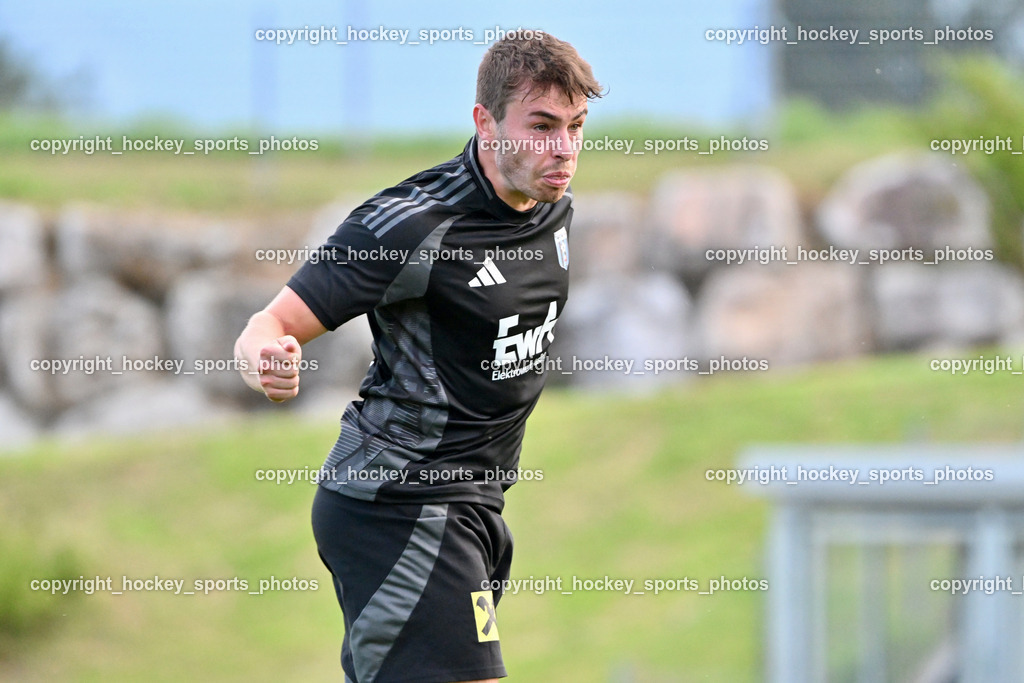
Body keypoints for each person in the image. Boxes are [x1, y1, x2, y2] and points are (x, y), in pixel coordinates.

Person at [234, 30, 602, 683]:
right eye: (542, 125)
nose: (564, 148)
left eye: (576, 126)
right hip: (396, 502)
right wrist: (268, 357)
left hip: (478, 503)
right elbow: (270, 322)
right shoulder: (410, 224)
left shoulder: (553, 211)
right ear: (484, 122)